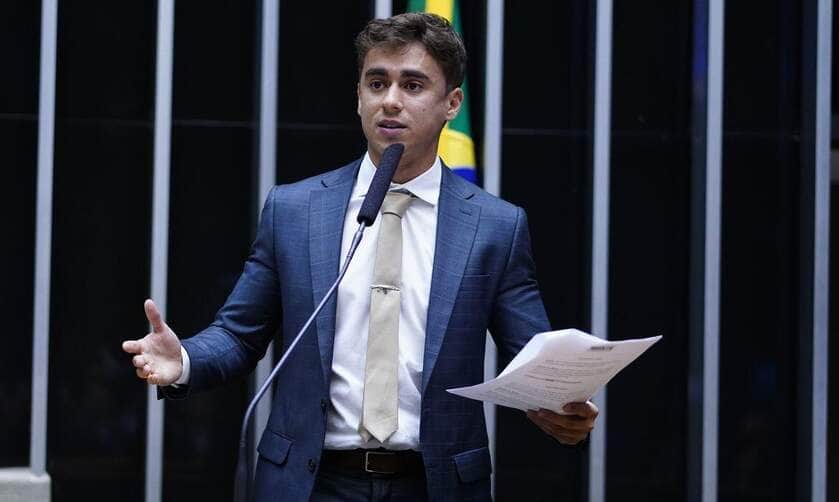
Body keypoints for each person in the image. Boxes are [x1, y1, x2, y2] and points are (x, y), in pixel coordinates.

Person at [122, 12, 597, 501]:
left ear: (452, 103)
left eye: (412, 85)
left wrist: (564, 407)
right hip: (312, 483)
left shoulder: (495, 226)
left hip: (434, 485)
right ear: (358, 97)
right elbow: (239, 335)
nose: (390, 100)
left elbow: (534, 359)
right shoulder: (295, 210)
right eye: (377, 83)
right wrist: (184, 359)